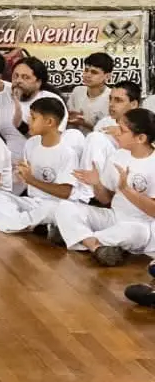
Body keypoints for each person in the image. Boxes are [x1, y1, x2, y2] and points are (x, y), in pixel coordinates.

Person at [55, 107, 155, 265]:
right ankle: (97, 247)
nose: (116, 133)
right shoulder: (117, 156)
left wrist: (126, 190)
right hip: (115, 217)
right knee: (64, 207)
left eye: (122, 130)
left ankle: (79, 236)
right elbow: (105, 199)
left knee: (136, 232)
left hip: (142, 225)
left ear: (141, 138)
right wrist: (97, 184)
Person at [0, 96, 86, 235]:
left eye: (33, 118)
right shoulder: (31, 143)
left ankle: (13, 222)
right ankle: (26, 224)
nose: (28, 121)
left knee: (50, 209)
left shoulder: (67, 153)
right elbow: (26, 177)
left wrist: (31, 180)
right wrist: (20, 173)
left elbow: (66, 192)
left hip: (55, 205)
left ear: (50, 122)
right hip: (32, 203)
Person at [67, 51, 114, 131]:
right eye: (86, 70)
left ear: (107, 76)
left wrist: (86, 124)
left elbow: (110, 133)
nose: (88, 75)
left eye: (94, 72)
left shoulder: (113, 97)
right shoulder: (77, 91)